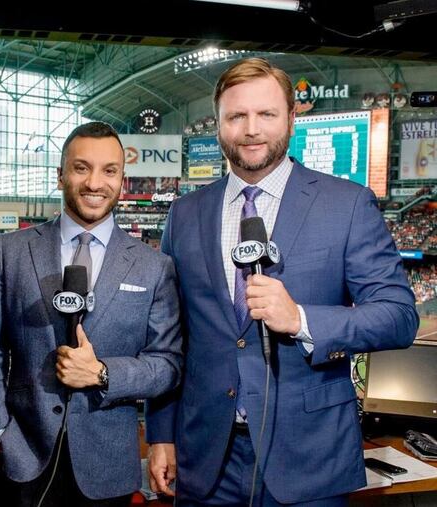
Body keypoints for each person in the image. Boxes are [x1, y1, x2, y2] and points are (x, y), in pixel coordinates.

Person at [146, 57, 419, 506]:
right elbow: (171, 338)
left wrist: (301, 319)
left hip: (308, 458)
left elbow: (399, 317)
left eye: (266, 114)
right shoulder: (185, 213)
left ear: (292, 118)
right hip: (206, 459)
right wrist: (161, 433)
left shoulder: (346, 204)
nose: (251, 129)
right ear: (219, 125)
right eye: (237, 116)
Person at [0, 121, 183, 506]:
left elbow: (168, 364)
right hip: (24, 455)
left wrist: (102, 373)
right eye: (81, 168)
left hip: (107, 465)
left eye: (109, 170)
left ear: (122, 181)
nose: (95, 182)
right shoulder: (11, 251)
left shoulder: (153, 267)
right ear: (60, 175)